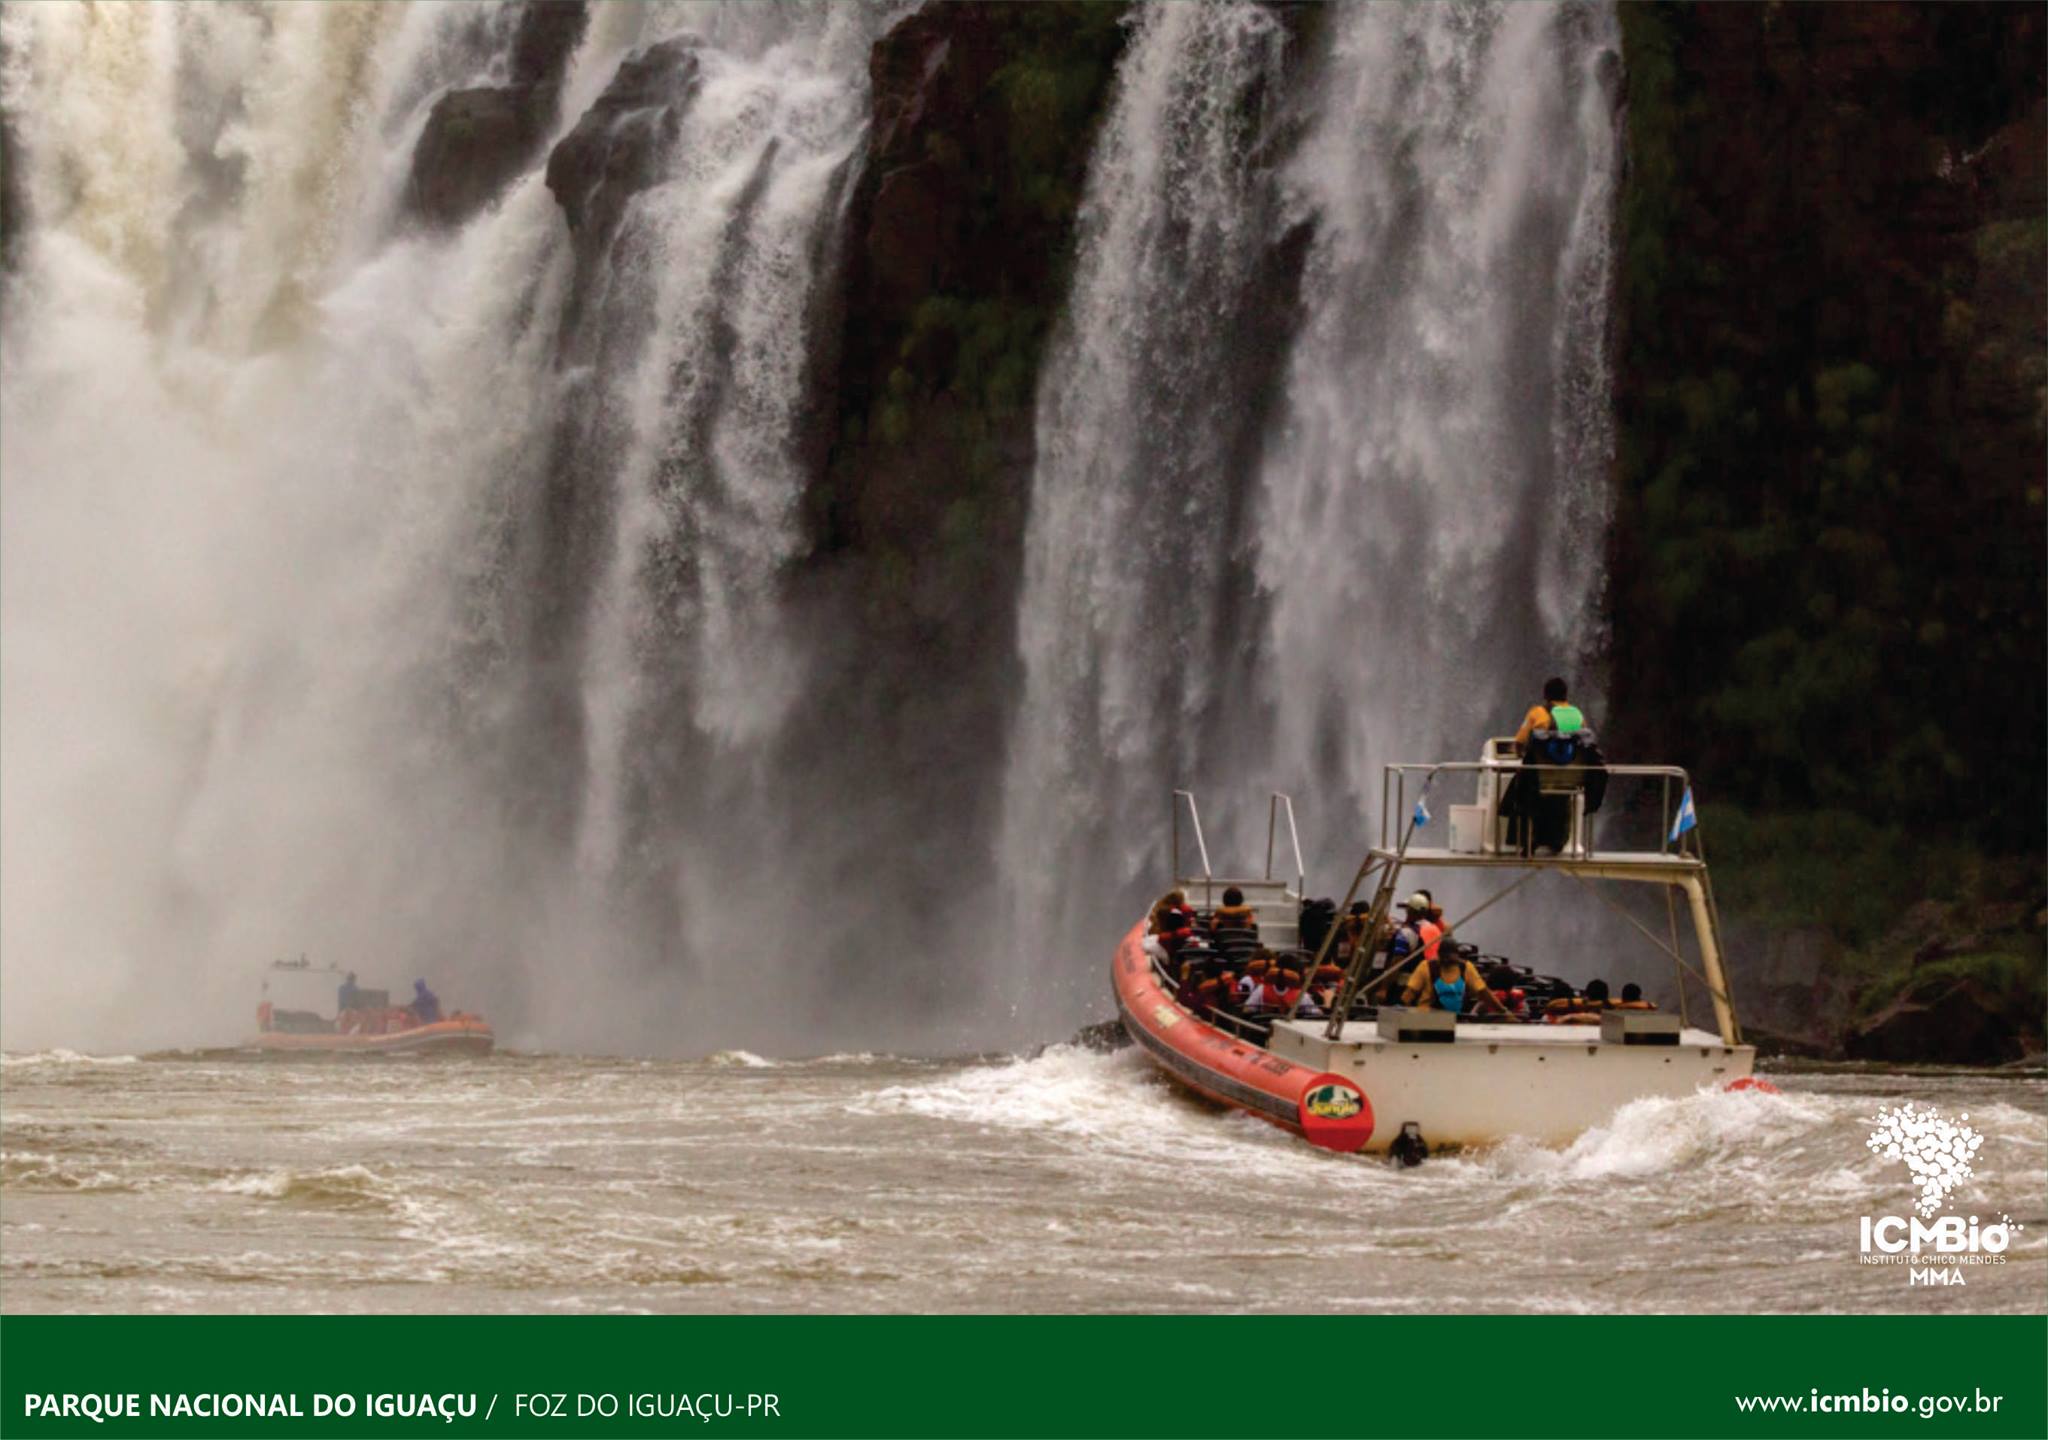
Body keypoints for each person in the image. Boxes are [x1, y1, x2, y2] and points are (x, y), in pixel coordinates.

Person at [1400, 949, 1507, 1015]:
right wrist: (1503, 1011)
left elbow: (1483, 991)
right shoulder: (1465, 967)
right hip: (1442, 1020)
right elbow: (1483, 992)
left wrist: (1502, 1011)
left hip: (1440, 1020)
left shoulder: (1427, 966)